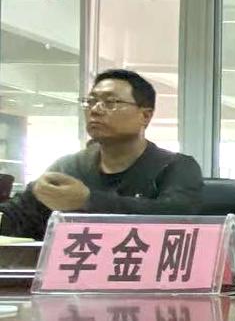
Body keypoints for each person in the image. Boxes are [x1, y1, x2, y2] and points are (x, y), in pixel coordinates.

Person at [0, 69, 203, 239]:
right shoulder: (68, 167)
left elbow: (177, 218)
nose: (95, 110)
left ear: (145, 115)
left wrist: (87, 201)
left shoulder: (175, 167)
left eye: (110, 102)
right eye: (90, 101)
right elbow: (17, 216)